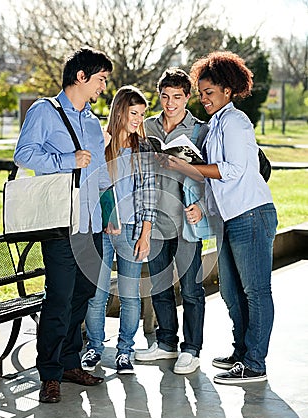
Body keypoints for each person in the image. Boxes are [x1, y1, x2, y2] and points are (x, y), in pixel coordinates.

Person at [162, 51, 278, 384]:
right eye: (201, 93)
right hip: (229, 219)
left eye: (209, 93)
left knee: (256, 292)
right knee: (230, 290)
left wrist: (188, 167)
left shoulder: (236, 122)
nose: (204, 99)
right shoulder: (215, 125)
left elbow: (234, 170)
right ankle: (242, 351)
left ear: (228, 90)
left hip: (251, 214)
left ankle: (255, 363)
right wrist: (203, 206)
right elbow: (215, 180)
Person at [14, 47, 113, 403]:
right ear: (81, 77)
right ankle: (50, 373)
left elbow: (100, 173)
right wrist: (66, 160)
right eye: (100, 79)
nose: (104, 86)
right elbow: (23, 153)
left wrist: (109, 212)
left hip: (92, 223)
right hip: (60, 223)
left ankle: (71, 362)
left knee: (83, 294)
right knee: (58, 297)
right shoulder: (44, 110)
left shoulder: (91, 120)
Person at [134, 68, 209, 375]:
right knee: (160, 285)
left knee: (191, 289)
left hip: (187, 222)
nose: (170, 103)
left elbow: (212, 176)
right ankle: (166, 343)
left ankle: (192, 349)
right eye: (165, 96)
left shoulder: (200, 130)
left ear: (187, 97)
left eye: (177, 97)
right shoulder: (147, 126)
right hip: (156, 219)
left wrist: (202, 207)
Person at [81, 85, 157, 374]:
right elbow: (92, 183)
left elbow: (149, 193)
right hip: (101, 231)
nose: (138, 119)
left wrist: (146, 233)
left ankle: (125, 351)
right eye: (133, 112)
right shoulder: (101, 143)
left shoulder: (144, 148)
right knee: (97, 294)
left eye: (141, 114)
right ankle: (94, 348)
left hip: (132, 231)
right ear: (119, 111)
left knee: (129, 294)